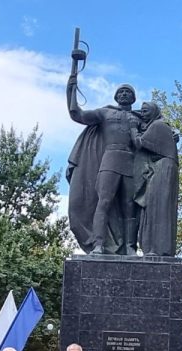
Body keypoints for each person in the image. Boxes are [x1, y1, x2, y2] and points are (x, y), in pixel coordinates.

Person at [67, 72, 141, 255]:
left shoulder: (140, 118)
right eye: (121, 92)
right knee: (104, 202)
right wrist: (71, 87)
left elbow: (158, 132)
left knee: (129, 206)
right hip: (109, 160)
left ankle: (130, 248)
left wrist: (171, 137)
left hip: (131, 164)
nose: (124, 94)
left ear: (133, 97)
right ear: (116, 97)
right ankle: (98, 245)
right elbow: (77, 114)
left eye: (128, 92)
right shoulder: (105, 113)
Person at [131, 101, 179, 256]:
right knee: (153, 208)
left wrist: (132, 128)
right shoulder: (161, 126)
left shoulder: (158, 126)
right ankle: (154, 248)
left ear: (154, 112)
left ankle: (157, 249)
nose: (143, 113)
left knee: (158, 209)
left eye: (146, 111)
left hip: (162, 169)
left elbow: (139, 143)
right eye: (142, 111)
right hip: (161, 168)